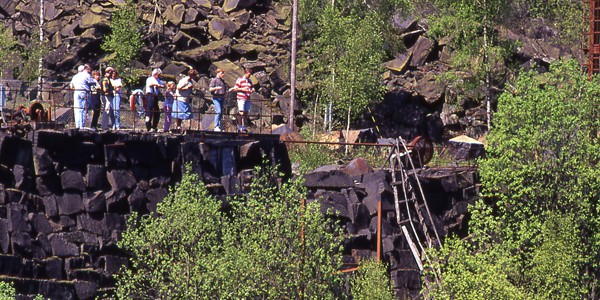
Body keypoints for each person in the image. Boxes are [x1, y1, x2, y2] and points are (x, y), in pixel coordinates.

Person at [69, 64, 94, 129]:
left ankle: (77, 125)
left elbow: (71, 86)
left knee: (77, 109)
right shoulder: (86, 75)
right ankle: (82, 126)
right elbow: (92, 82)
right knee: (83, 109)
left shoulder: (75, 76)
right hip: (84, 92)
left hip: (76, 92)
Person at [229, 68, 254, 133]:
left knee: (246, 112)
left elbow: (252, 87)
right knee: (241, 112)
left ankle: (244, 126)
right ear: (245, 73)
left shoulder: (249, 81)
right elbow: (235, 88)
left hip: (247, 98)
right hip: (241, 97)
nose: (249, 76)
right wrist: (243, 89)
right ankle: (239, 126)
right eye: (249, 74)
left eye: (250, 75)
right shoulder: (239, 79)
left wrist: (252, 90)